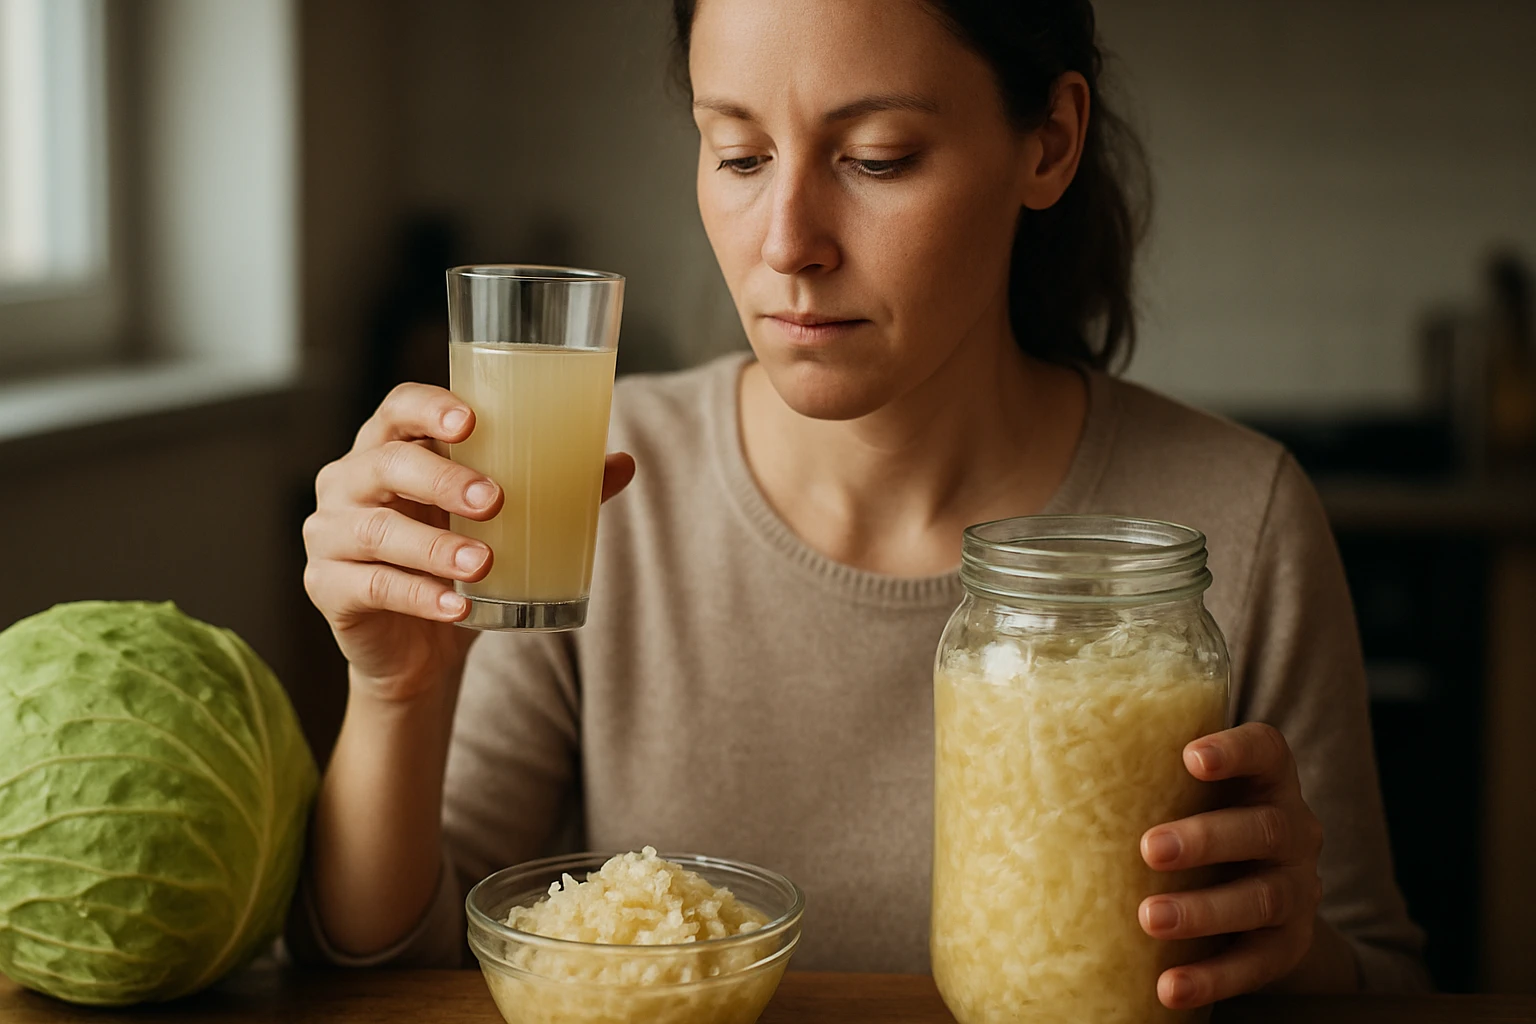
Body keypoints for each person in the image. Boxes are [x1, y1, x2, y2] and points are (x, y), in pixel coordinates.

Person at [292, 0, 1427, 1008]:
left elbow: (1382, 974)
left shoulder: (1238, 515)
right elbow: (402, 966)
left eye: (878, 158)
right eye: (738, 154)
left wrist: (1290, 949)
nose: (787, 244)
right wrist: (396, 692)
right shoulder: (595, 478)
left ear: (1050, 141)